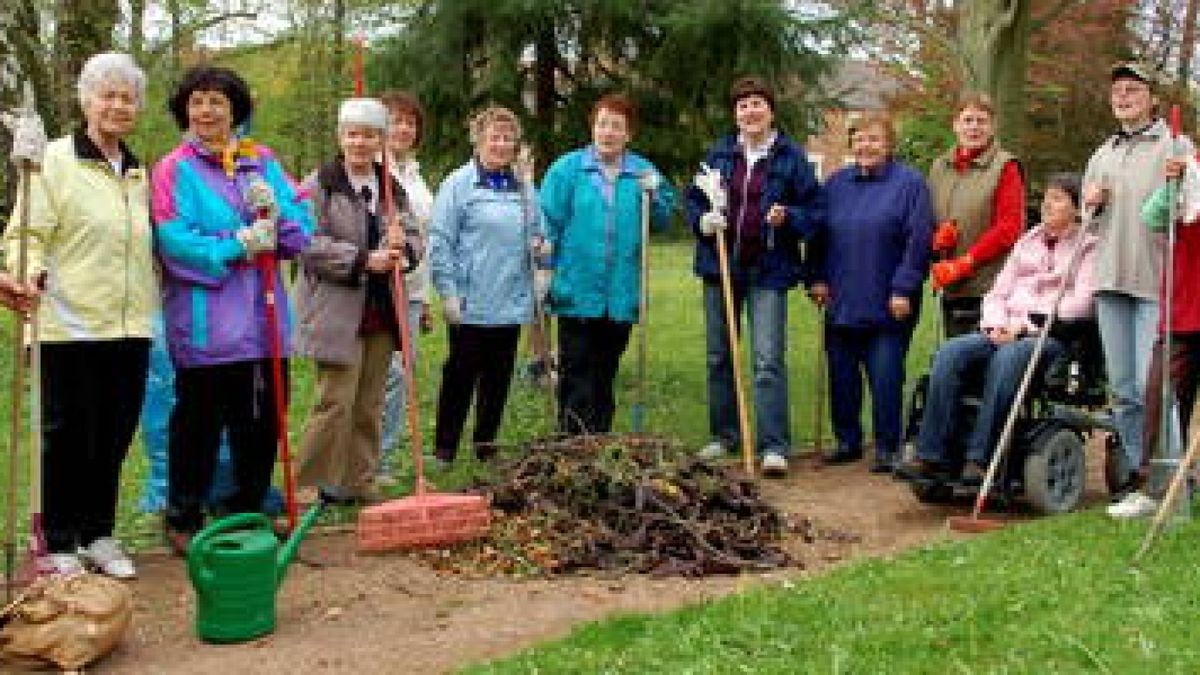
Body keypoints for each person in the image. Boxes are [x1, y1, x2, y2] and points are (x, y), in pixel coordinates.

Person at [3, 52, 156, 577]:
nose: (118, 105)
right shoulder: (55, 161)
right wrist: (26, 273)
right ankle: (59, 539)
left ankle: (99, 534)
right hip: (66, 326)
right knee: (68, 437)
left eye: (127, 96)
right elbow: (26, 235)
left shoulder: (138, 171)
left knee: (114, 435)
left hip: (129, 326)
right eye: (107, 94)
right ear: (85, 100)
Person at [152, 65, 314, 553]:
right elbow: (172, 239)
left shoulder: (260, 160)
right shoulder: (173, 169)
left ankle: (244, 511)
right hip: (206, 326)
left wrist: (277, 214)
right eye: (198, 101)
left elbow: (300, 229)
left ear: (234, 111)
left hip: (263, 325)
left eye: (217, 102)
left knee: (261, 422)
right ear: (185, 109)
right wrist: (237, 244)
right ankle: (184, 514)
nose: (206, 111)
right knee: (198, 426)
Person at [898, 174, 1098, 481]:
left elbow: (1081, 304)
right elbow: (997, 293)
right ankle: (931, 453)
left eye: (1057, 198)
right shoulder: (1028, 241)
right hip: (1003, 328)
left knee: (1009, 359)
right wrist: (994, 325)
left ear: (1077, 208)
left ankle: (980, 457)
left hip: (1050, 335)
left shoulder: (1088, 247)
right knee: (950, 353)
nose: (1047, 203)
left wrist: (1022, 326)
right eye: (1046, 196)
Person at [684, 76, 824, 476]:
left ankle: (773, 444)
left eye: (757, 104)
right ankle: (725, 434)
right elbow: (693, 199)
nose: (750, 111)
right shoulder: (720, 155)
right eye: (743, 105)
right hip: (722, 268)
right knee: (719, 356)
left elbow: (816, 212)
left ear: (771, 111)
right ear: (736, 114)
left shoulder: (791, 158)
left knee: (767, 359)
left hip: (769, 270)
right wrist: (703, 222)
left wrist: (790, 217)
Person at [294, 97, 421, 503]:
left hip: (382, 310)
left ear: (381, 140)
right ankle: (309, 484)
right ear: (340, 137)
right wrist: (365, 260)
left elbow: (415, 236)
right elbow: (304, 243)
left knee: (369, 402)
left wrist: (405, 251)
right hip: (336, 310)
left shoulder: (391, 188)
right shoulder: (320, 185)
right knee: (335, 401)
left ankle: (357, 479)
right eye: (353, 134)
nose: (360, 143)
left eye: (369, 135)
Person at [1083, 61, 1194, 505]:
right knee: (1125, 390)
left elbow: (1190, 210)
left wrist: (1180, 179)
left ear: (1152, 98)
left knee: (1159, 391)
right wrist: (1089, 203)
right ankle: (1135, 475)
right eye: (1118, 91)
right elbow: (1087, 223)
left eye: (1133, 89)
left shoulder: (1175, 143)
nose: (1123, 97)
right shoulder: (1104, 152)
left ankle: (1170, 483)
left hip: (1157, 283)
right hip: (1111, 280)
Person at [538, 94, 676, 435]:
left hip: (619, 292)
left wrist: (655, 196)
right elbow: (546, 223)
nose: (608, 133)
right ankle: (572, 444)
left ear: (629, 134)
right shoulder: (568, 169)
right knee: (575, 368)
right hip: (576, 289)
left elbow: (660, 221)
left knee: (605, 369)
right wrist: (544, 269)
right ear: (592, 127)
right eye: (602, 124)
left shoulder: (642, 171)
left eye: (617, 126)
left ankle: (599, 440)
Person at [807, 111, 934, 473]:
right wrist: (815, 276)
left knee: (885, 375)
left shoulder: (910, 185)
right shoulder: (835, 185)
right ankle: (847, 440)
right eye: (859, 139)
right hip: (842, 297)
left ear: (889, 144)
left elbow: (918, 241)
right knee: (842, 374)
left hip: (888, 300)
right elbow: (818, 234)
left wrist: (904, 287)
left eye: (874, 139)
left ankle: (887, 445)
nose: (866, 145)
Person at [428, 105, 543, 465]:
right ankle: (445, 448)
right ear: (479, 140)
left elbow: (538, 231)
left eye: (509, 138)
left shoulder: (523, 187)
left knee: (498, 378)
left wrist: (540, 247)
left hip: (510, 300)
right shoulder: (459, 183)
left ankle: (486, 445)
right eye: (495, 136)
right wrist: (447, 292)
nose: (502, 144)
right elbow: (440, 240)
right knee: (460, 375)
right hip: (470, 301)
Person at [1108, 151, 1200, 518]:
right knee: (1161, 396)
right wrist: (1171, 186)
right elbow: (1153, 217)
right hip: (1183, 308)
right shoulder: (1190, 165)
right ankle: (1154, 488)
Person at [926, 93, 1026, 337]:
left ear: (992, 126)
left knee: (980, 359)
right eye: (967, 120)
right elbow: (927, 214)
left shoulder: (1005, 166)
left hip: (989, 286)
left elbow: (1009, 227)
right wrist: (934, 239)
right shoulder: (940, 167)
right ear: (955, 124)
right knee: (953, 361)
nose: (974, 127)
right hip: (950, 284)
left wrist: (968, 261)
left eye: (981, 121)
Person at [377, 91, 434, 485]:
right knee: (389, 373)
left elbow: (425, 236)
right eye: (395, 120)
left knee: (403, 373)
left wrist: (425, 298)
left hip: (413, 287)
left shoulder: (414, 173)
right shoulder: (371, 169)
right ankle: (372, 459)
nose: (403, 128)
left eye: (410, 123)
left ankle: (386, 455)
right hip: (379, 286)